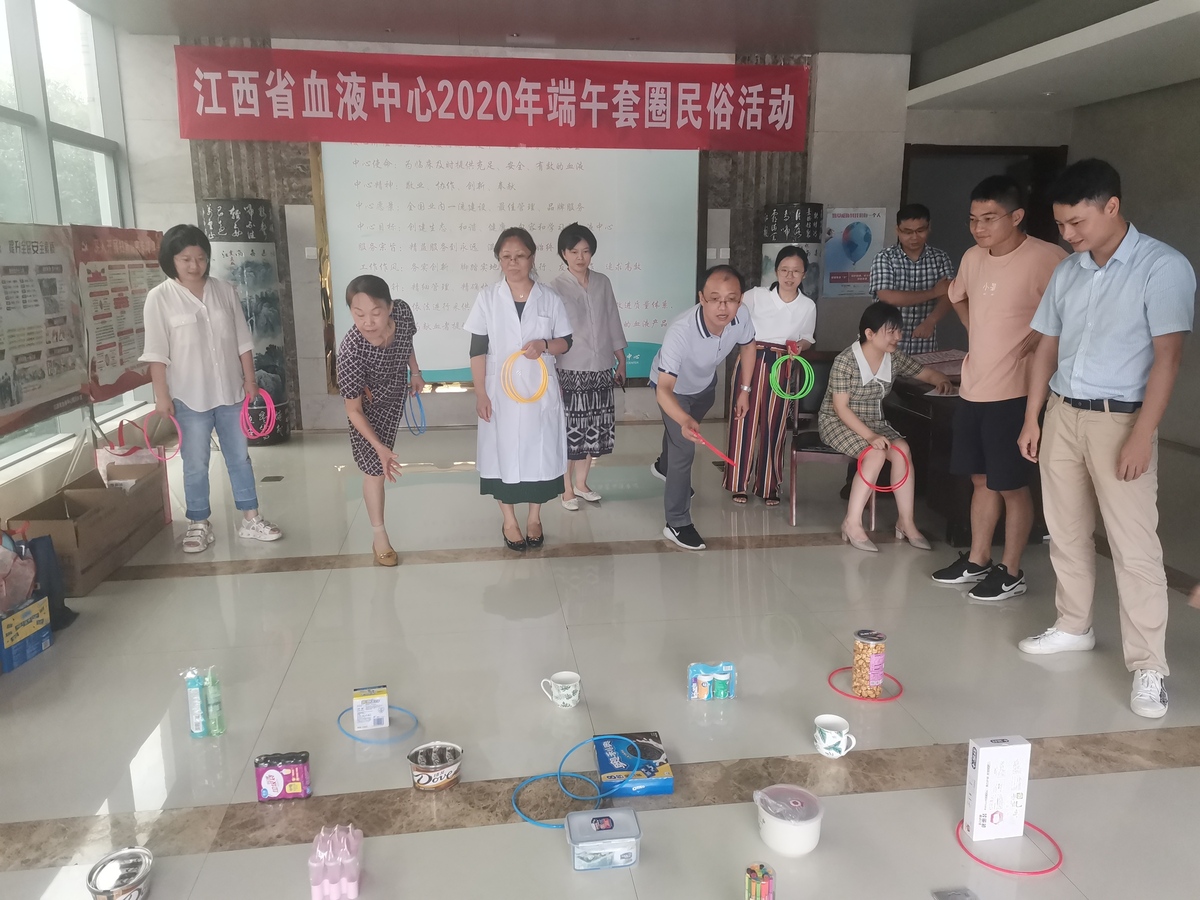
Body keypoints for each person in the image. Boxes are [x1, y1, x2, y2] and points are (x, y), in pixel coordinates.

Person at [1016, 159, 1195, 719]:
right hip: (1063, 414)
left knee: (1134, 547)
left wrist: (1142, 435)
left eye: (1077, 222)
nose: (1068, 234)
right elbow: (1046, 347)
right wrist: (1033, 417)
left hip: (1122, 421)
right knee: (1066, 530)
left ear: (1111, 207)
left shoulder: (1162, 267)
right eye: (1060, 224)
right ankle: (1074, 625)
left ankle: (1149, 666)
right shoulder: (1068, 272)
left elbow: (1168, 358)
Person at [930, 176, 1068, 600]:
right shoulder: (973, 257)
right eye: (973, 219)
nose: (979, 228)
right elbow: (957, 295)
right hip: (975, 386)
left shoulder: (1049, 258)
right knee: (980, 480)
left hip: (1016, 391)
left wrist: (1042, 335)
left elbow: (1074, 313)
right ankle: (978, 559)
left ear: (1017, 216)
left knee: (1011, 484)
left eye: (989, 218)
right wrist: (976, 329)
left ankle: (1011, 570)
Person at [141, 223, 282, 553]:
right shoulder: (159, 298)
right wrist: (162, 396)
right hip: (189, 396)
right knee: (195, 462)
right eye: (186, 259)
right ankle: (199, 522)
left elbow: (243, 340)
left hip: (230, 392)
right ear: (171, 260)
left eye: (201, 258)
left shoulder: (224, 290)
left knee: (239, 458)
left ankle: (251, 518)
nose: (195, 265)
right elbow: (156, 353)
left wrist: (250, 380)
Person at [465, 227, 573, 551]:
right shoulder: (487, 298)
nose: (513, 263)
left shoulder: (549, 298)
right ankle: (509, 520)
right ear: (499, 260)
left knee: (539, 452)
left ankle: (534, 518)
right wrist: (481, 393)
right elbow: (477, 350)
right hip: (499, 391)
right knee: (502, 453)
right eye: (506, 257)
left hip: (540, 390)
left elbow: (566, 341)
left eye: (520, 256)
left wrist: (544, 345)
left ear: (532, 258)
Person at [818, 301, 953, 553]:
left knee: (902, 450)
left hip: (874, 421)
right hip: (837, 421)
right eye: (890, 331)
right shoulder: (846, 361)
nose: (898, 337)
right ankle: (852, 523)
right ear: (869, 333)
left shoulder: (893, 358)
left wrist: (941, 380)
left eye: (898, 330)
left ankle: (906, 522)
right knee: (875, 453)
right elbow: (840, 408)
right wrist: (870, 436)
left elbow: (925, 373)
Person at [651, 265, 756, 551]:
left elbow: (749, 347)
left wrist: (744, 391)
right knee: (684, 448)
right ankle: (677, 522)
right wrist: (683, 419)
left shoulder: (742, 316)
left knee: (678, 439)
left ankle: (663, 465)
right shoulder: (681, 331)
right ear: (701, 298)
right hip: (674, 391)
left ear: (740, 299)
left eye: (731, 299)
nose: (723, 307)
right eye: (715, 299)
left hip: (705, 387)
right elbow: (663, 390)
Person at [337, 275, 422, 567]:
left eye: (376, 313)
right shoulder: (351, 351)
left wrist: (415, 372)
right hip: (367, 411)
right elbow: (353, 410)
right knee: (375, 470)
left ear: (390, 307)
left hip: (395, 396)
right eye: (358, 314)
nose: (368, 322)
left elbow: (407, 341)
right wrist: (379, 446)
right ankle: (379, 536)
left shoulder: (403, 312)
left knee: (379, 465)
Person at [723, 246, 817, 506]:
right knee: (743, 420)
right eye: (784, 270)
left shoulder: (807, 306)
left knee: (774, 425)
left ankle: (768, 485)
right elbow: (733, 316)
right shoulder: (756, 295)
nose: (789, 276)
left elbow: (808, 338)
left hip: (782, 363)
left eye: (796, 271)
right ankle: (738, 483)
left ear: (804, 274)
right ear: (776, 271)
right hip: (751, 358)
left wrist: (800, 347)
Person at [549, 223, 628, 511]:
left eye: (585, 251)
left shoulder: (602, 282)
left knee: (593, 430)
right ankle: (566, 488)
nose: (580, 257)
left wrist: (620, 358)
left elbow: (612, 319)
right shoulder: (554, 288)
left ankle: (582, 484)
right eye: (574, 251)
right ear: (564, 254)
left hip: (601, 366)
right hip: (570, 369)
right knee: (572, 432)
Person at [869, 203, 956, 355]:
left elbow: (949, 294)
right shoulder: (885, 258)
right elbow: (887, 297)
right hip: (886, 344)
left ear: (929, 227)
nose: (914, 237)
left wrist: (931, 321)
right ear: (897, 230)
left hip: (924, 343)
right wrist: (933, 292)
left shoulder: (940, 258)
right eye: (907, 232)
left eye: (920, 231)